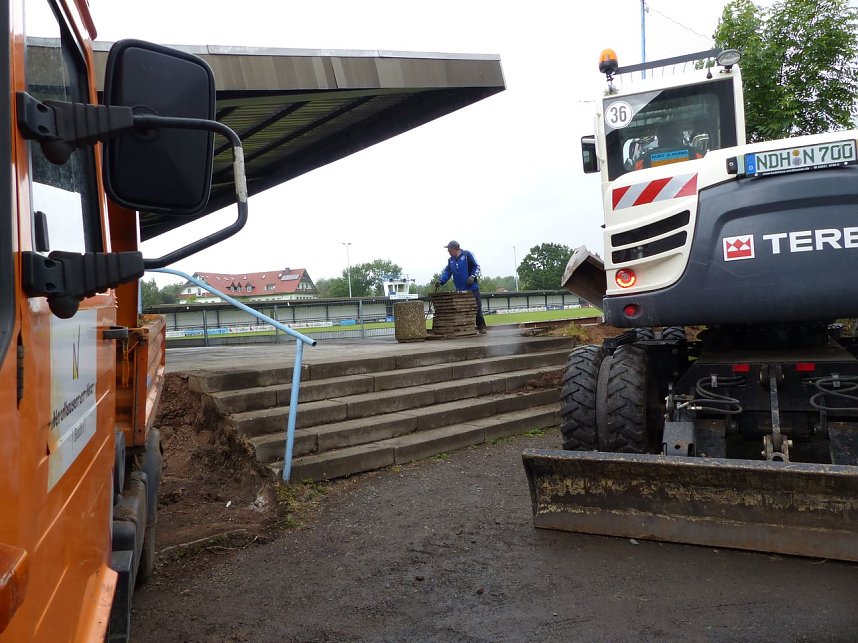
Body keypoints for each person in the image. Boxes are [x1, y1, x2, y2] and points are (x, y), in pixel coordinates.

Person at [435, 240, 487, 334]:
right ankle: (465, 329)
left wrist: (472, 276)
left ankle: (481, 327)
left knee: (477, 308)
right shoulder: (451, 260)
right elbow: (447, 272)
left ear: (456, 249)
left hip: (472, 288)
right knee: (461, 310)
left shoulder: (467, 255)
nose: (448, 251)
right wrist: (441, 281)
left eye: (449, 249)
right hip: (460, 290)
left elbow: (477, 266)